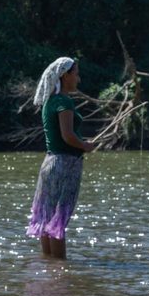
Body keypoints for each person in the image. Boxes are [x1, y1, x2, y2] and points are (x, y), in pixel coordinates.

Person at [26, 57, 96, 259]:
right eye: (76, 74)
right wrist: (86, 146)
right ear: (65, 75)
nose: (78, 79)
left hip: (50, 163)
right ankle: (60, 270)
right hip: (64, 165)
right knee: (58, 220)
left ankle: (50, 267)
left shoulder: (50, 101)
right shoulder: (64, 101)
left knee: (48, 218)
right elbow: (67, 136)